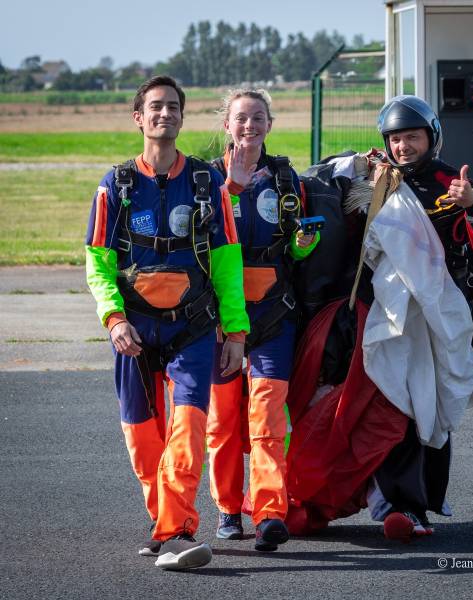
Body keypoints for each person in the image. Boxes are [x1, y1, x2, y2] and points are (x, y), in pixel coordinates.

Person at [283, 95, 473, 541]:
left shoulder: (452, 184)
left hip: (425, 320)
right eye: (396, 139)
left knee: (410, 405)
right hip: (369, 314)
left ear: (432, 137)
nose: (403, 146)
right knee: (344, 405)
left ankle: (404, 507)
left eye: (412, 137)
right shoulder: (373, 178)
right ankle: (314, 499)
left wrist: (469, 206)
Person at [85, 76, 249, 570]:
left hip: (192, 329)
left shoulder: (205, 184)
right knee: (142, 438)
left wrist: (236, 333)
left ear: (181, 116)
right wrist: (113, 319)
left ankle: (176, 531)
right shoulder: (115, 185)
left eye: (173, 107)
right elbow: (97, 263)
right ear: (139, 117)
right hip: (133, 331)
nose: (165, 114)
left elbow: (227, 263)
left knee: (189, 428)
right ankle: (165, 520)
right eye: (155, 107)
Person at [206, 89, 319, 551]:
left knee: (269, 416)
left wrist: (304, 245)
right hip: (217, 317)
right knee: (224, 420)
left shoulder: (287, 179)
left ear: (269, 124)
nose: (249, 126)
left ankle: (270, 510)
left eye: (257, 118)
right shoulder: (204, 177)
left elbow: (294, 248)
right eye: (240, 118)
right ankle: (229, 509)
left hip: (274, 312)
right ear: (226, 125)